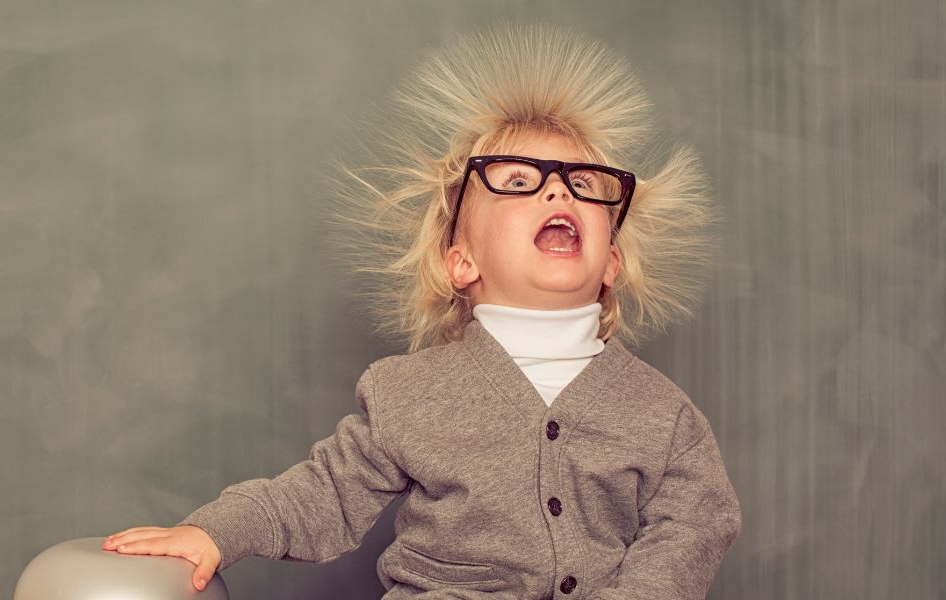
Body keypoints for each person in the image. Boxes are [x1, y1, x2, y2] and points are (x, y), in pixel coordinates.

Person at [104, 22, 742, 599]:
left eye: (584, 185)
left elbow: (695, 525)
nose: (557, 188)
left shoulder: (665, 416)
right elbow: (319, 495)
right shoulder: (407, 394)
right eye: (518, 181)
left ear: (611, 263)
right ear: (460, 260)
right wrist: (215, 532)